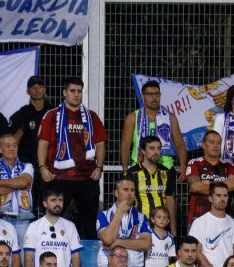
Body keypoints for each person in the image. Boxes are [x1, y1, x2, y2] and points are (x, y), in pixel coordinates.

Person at [38, 78, 107, 239]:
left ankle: (88, 261)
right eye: (72, 91)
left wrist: (99, 167)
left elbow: (100, 143)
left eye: (79, 91)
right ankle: (51, 256)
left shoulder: (91, 116)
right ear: (64, 92)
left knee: (88, 223)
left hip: (86, 177)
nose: (76, 95)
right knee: (53, 219)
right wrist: (42, 167)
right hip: (59, 177)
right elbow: (43, 143)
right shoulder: (52, 115)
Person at [121, 80, 187, 172]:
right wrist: (125, 168)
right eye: (149, 94)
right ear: (142, 96)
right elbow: (125, 145)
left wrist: (183, 167)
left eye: (157, 94)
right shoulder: (132, 118)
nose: (154, 97)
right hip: (139, 167)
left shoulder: (170, 117)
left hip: (165, 167)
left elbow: (180, 144)